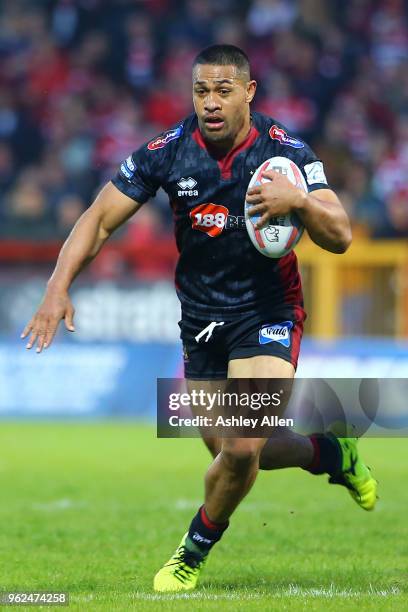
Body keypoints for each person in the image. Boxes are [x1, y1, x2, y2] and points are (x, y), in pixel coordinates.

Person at [21, 45, 377, 592]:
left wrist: (300, 202)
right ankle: (330, 451)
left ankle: (191, 550)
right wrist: (56, 286)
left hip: (267, 312)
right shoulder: (169, 150)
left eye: (223, 90)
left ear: (249, 93)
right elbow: (98, 218)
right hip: (201, 322)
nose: (210, 102)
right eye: (201, 91)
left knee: (240, 446)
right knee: (233, 455)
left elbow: (341, 234)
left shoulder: (286, 153)